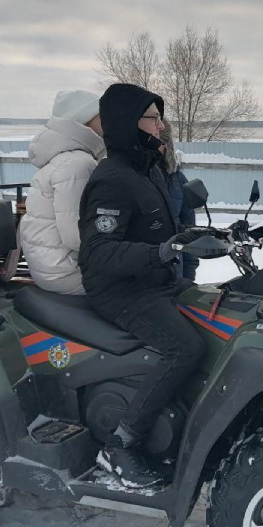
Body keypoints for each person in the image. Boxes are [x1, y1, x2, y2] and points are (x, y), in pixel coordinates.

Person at [78, 83, 206, 488]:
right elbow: (97, 252)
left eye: (159, 116)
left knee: (220, 315)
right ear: (129, 124)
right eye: (153, 118)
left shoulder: (147, 168)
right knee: (185, 347)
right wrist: (159, 254)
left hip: (158, 281)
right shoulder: (112, 179)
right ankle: (121, 443)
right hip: (122, 292)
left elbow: (165, 228)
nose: (162, 125)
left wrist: (202, 238)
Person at [19, 90, 105, 294]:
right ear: (83, 121)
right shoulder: (77, 163)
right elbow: (76, 236)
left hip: (50, 267)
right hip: (67, 271)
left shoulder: (65, 159)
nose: (109, 120)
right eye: (102, 115)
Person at [157, 128, 198, 281]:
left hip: (175, 274)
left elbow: (189, 232)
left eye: (159, 140)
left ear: (167, 145)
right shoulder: (131, 178)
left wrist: (188, 276)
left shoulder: (178, 181)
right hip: (141, 277)